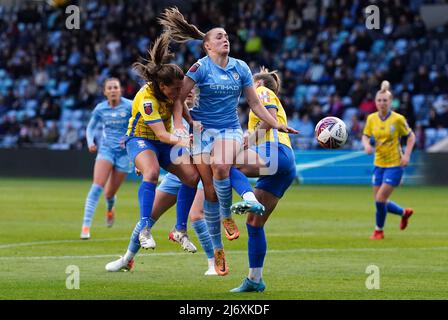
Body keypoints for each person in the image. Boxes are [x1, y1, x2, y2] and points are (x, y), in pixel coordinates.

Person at [158, 7, 298, 276]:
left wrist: (277, 124)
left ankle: (227, 216)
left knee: (223, 165)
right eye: (219, 37)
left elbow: (255, 105)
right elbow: (179, 98)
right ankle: (218, 252)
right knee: (209, 191)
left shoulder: (241, 68)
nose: (226, 39)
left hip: (230, 131)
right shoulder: (199, 68)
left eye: (227, 36)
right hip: (201, 134)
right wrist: (183, 123)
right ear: (208, 45)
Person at [104, 32, 199, 272]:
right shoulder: (147, 98)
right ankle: (145, 228)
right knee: (152, 172)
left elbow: (179, 106)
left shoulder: (173, 92)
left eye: (181, 88)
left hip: (164, 142)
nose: (179, 92)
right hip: (140, 139)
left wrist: (183, 125)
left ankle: (180, 229)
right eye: (175, 89)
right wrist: (181, 140)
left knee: (191, 177)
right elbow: (160, 135)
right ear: (162, 85)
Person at [227, 67, 297, 292]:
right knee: (254, 223)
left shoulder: (262, 91)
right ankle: (254, 280)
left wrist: (247, 140)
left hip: (275, 151)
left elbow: (269, 120)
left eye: (250, 81)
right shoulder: (265, 92)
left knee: (225, 163)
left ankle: (244, 199)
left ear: (257, 83)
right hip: (284, 164)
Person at [362, 80, 415, 240]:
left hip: (395, 164)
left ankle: (379, 231)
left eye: (385, 100)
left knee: (380, 199)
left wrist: (406, 155)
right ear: (375, 102)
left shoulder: (398, 119)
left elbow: (411, 136)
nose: (382, 103)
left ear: (391, 102)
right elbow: (365, 135)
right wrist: (366, 145)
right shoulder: (371, 118)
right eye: (379, 100)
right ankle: (403, 213)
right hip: (378, 163)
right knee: (379, 201)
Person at [80, 78, 133, 240]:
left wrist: (131, 138)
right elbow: (90, 128)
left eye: (115, 87)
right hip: (106, 150)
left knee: (109, 194)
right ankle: (85, 226)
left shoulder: (130, 106)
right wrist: (90, 142)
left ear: (120, 90)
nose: (112, 90)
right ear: (105, 92)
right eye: (109, 88)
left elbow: (139, 123)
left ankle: (110, 208)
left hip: (125, 154)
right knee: (97, 187)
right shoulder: (100, 109)